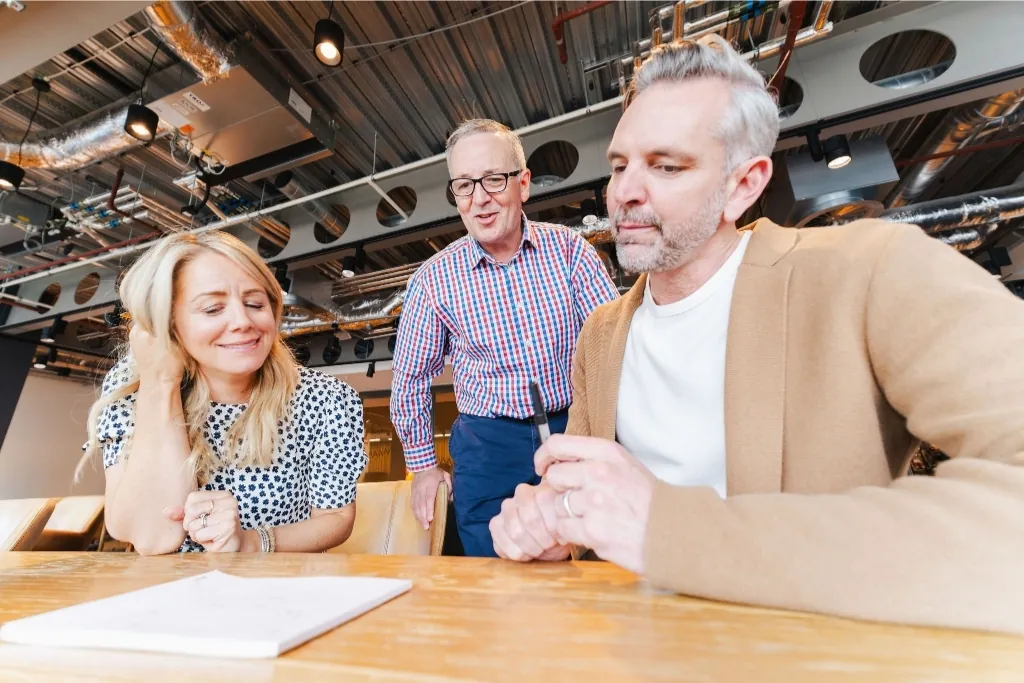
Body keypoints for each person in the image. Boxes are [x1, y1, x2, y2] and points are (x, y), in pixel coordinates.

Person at [489, 35, 1024, 636]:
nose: (625, 192)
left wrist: (668, 531)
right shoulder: (603, 333)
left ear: (744, 184)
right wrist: (551, 522)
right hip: (626, 643)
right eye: (620, 165)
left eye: (666, 166)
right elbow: (587, 506)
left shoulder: (870, 269)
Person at [390, 119, 619, 557]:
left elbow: (613, 350)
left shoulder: (571, 253)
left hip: (572, 428)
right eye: (463, 186)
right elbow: (411, 378)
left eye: (493, 180)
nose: (479, 199)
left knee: (591, 562)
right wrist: (421, 466)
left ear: (524, 184)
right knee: (496, 579)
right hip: (486, 446)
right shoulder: (434, 280)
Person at [81, 231, 367, 555]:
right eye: (213, 308)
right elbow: (152, 538)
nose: (242, 321)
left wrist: (251, 542)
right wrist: (162, 384)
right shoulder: (134, 385)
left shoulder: (328, 399)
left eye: (255, 303)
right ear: (169, 323)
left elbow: (336, 518)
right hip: (169, 594)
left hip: (280, 590)